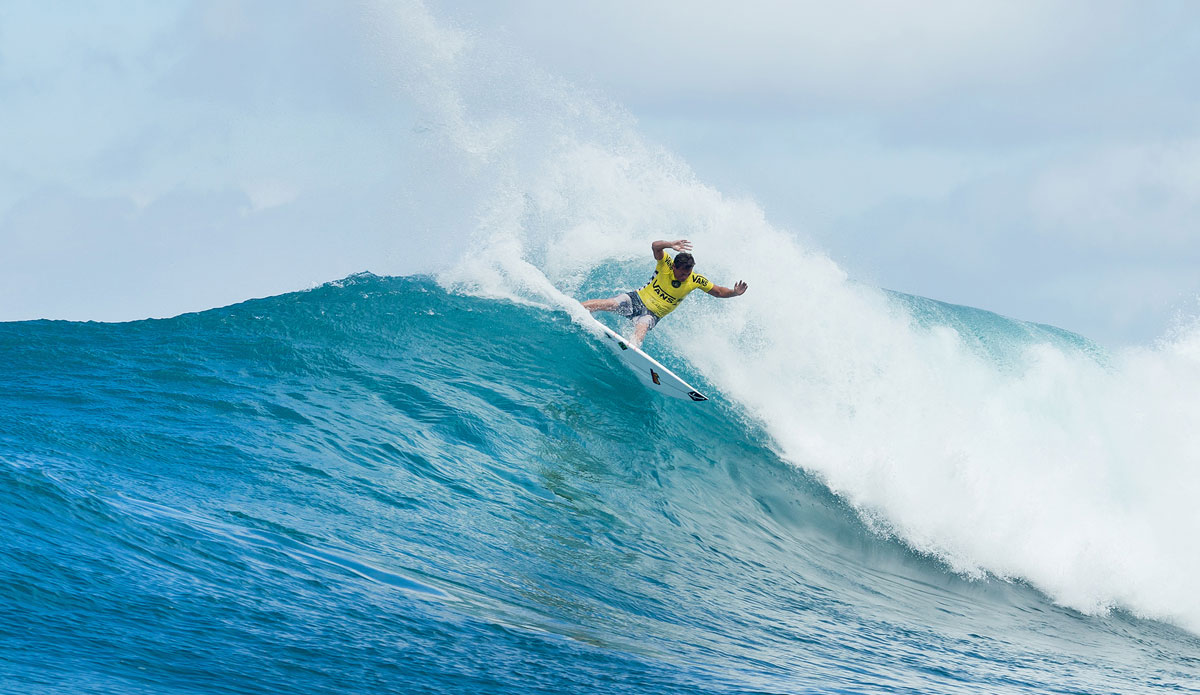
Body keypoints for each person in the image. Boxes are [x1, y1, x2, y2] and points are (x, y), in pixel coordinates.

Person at [582, 239, 748, 347]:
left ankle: (631, 350)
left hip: (653, 314)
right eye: (683, 273)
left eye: (688, 273)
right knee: (612, 303)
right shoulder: (666, 264)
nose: (685, 277)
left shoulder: (695, 280)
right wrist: (670, 244)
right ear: (674, 267)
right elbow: (655, 246)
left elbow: (718, 292)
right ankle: (577, 308)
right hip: (636, 298)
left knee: (643, 326)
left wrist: (734, 292)